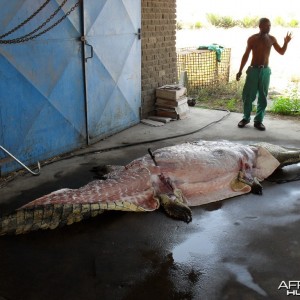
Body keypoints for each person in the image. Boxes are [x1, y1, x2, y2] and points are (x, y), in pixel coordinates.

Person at [236, 18, 292, 131]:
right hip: (253, 71)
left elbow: (281, 52)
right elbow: (246, 55)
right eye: (267, 25)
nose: (269, 27)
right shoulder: (252, 39)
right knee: (248, 96)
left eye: (270, 25)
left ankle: (258, 121)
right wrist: (240, 70)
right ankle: (245, 118)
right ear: (260, 26)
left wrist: (286, 43)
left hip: (265, 71)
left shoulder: (271, 39)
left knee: (263, 97)